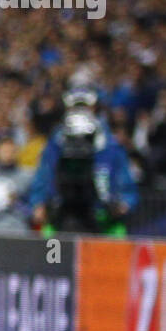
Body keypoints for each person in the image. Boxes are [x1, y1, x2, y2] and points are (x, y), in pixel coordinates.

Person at [28, 74, 138, 235]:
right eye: (75, 107)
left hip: (102, 216)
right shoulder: (56, 143)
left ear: (94, 108)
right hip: (61, 214)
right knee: (54, 258)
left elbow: (126, 186)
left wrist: (123, 204)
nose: (80, 112)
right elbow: (43, 176)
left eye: (85, 106)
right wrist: (38, 203)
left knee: (109, 257)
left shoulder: (110, 145)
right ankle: (55, 258)